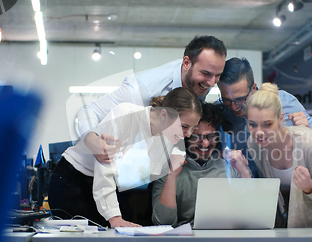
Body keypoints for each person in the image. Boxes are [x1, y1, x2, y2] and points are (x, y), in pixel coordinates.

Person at [49, 88, 202, 228]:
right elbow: (104, 169)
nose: (188, 134)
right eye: (184, 126)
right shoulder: (126, 115)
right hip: (73, 179)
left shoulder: (169, 135)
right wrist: (114, 217)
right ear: (163, 115)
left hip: (106, 188)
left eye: (193, 128)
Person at [78, 35, 226, 164]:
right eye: (206, 74)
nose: (212, 83)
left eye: (217, 75)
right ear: (186, 63)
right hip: (90, 166)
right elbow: (89, 111)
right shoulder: (142, 89)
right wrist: (92, 141)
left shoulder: (199, 76)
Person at [245, 84, 312, 228]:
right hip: (303, 219)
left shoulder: (308, 141)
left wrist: (310, 187)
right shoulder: (253, 144)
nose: (259, 132)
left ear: (280, 119)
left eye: (267, 124)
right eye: (252, 124)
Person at [216, 57, 312, 177]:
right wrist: (220, 153)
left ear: (254, 87)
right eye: (227, 100)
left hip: (292, 188)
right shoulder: (218, 110)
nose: (234, 106)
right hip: (247, 188)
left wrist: (309, 132)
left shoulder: (282, 102)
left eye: (240, 99)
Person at [151, 103, 251, 227]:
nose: (205, 144)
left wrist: (244, 172)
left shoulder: (231, 166)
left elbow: (251, 215)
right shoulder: (169, 168)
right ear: (186, 137)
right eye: (196, 137)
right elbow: (163, 222)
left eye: (210, 136)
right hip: (187, 241)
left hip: (226, 238)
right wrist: (171, 176)